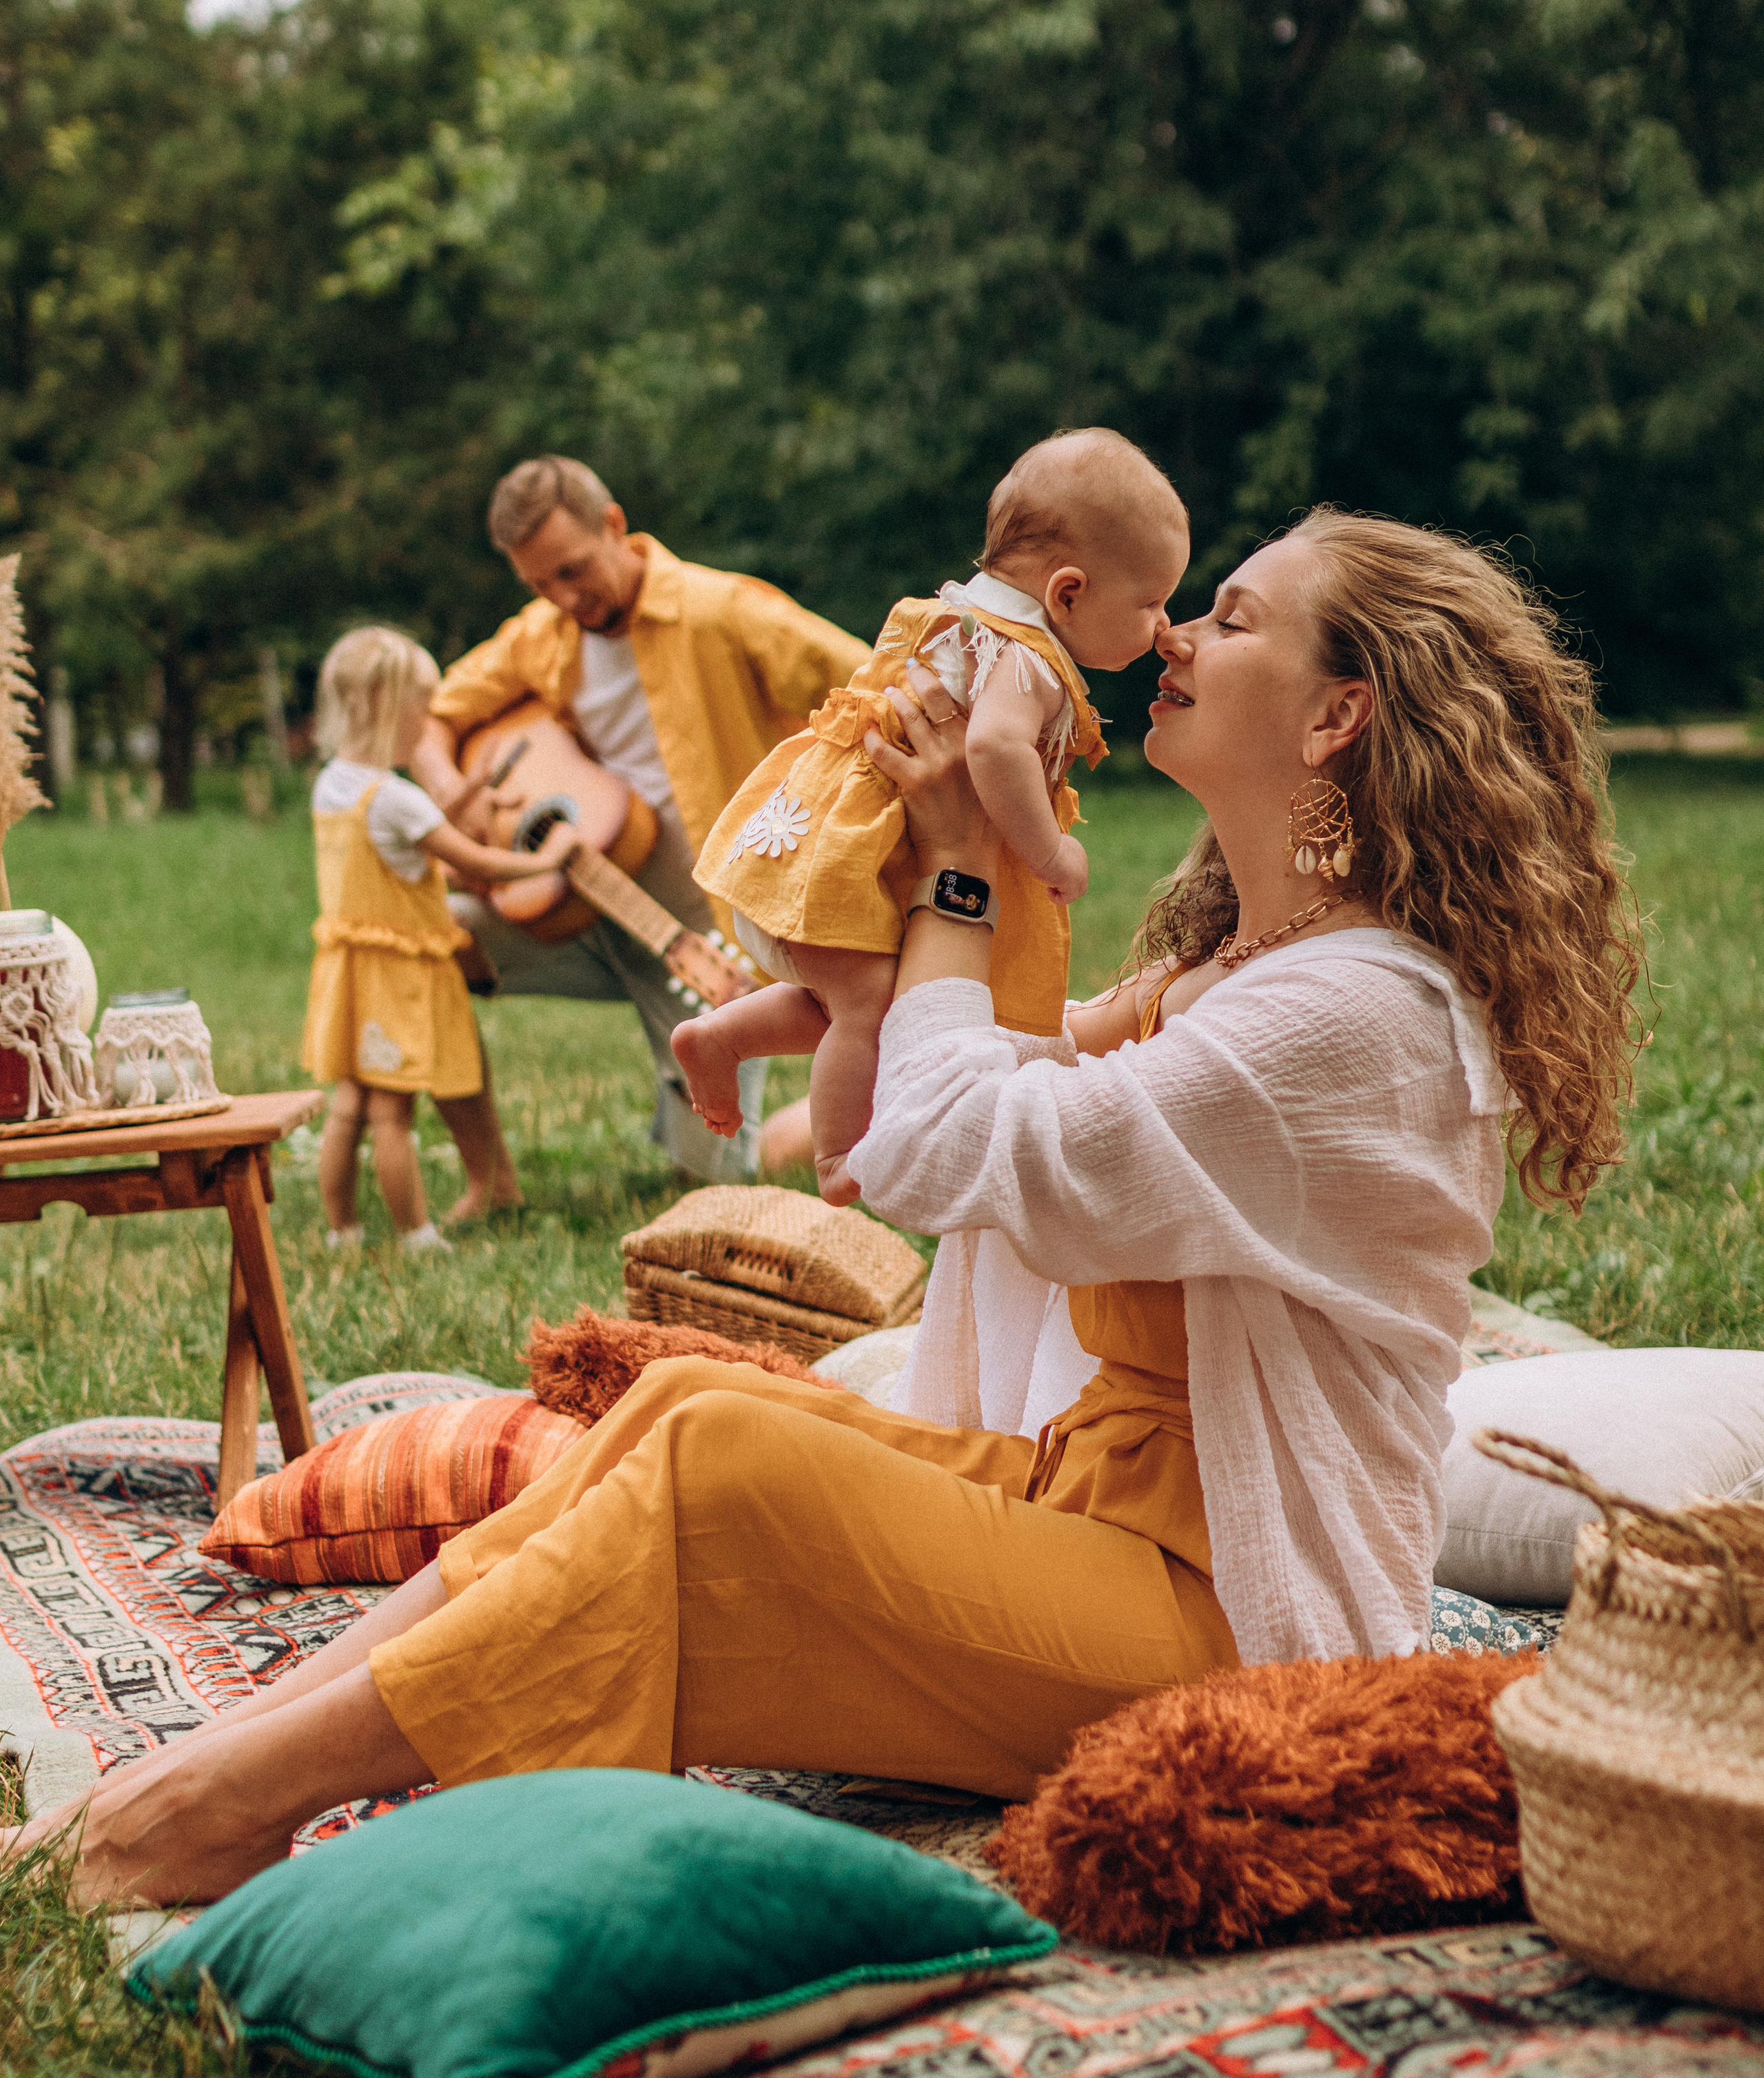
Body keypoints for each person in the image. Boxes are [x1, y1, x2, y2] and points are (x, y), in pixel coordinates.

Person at [8, 508, 1642, 1906]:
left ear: (1334, 717)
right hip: (1101, 1516)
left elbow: (956, 1134)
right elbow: (1009, 1053)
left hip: (1232, 1629)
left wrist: (951, 867)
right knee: (679, 1400)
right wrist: (795, 1002)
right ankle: (225, 1750)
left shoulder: (1353, 1019)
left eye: (1235, 613)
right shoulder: (1257, 970)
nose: (1180, 629)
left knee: (725, 1464)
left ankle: (208, 1818)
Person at [675, 430, 1189, 1201]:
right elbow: (993, 749)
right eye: (1149, 601)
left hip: (841, 838)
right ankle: (835, 1155)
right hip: (851, 851)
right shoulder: (1027, 659)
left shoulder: (962, 613)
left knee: (872, 1001)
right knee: (868, 1006)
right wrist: (1049, 853)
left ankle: (718, 1039)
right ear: (1068, 594)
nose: (1162, 624)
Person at [409, 458, 866, 1199]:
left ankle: (814, 1118)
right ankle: (489, 1179)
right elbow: (433, 715)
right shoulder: (543, 635)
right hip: (579, 904)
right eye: (538, 585)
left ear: (614, 525)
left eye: (573, 570)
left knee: (715, 1180)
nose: (563, 597)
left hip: (698, 923)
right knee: (425, 940)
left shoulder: (719, 610)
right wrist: (451, 791)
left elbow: (874, 679)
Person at [303, 628, 582, 1253]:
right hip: (400, 980)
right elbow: (479, 864)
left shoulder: (333, 785)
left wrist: (469, 790)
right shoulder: (397, 799)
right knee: (392, 1113)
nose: (426, 725)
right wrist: (550, 860)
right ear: (384, 706)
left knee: (348, 1106)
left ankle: (341, 1231)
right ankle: (416, 1234)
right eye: (420, 708)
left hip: (350, 973)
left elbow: (397, 854)